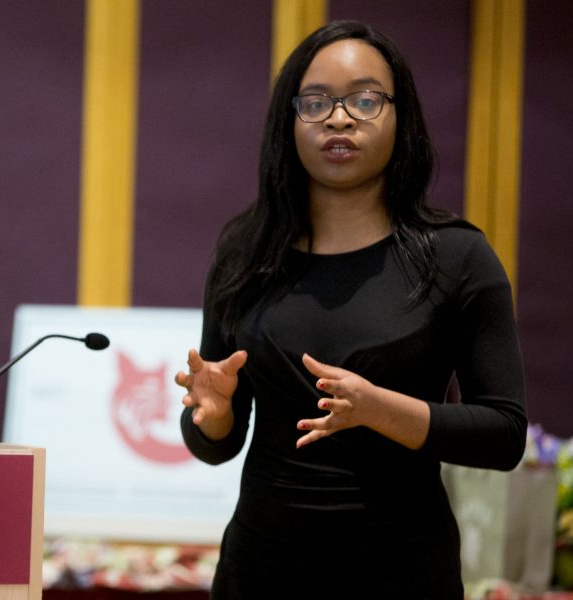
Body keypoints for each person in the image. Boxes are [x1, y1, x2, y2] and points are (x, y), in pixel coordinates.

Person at [174, 20, 526, 599]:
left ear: (400, 115)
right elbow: (218, 444)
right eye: (316, 103)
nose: (339, 119)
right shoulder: (246, 249)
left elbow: (504, 433)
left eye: (365, 100)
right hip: (261, 572)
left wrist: (378, 408)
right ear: (289, 121)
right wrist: (212, 418)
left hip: (403, 572)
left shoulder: (460, 257)